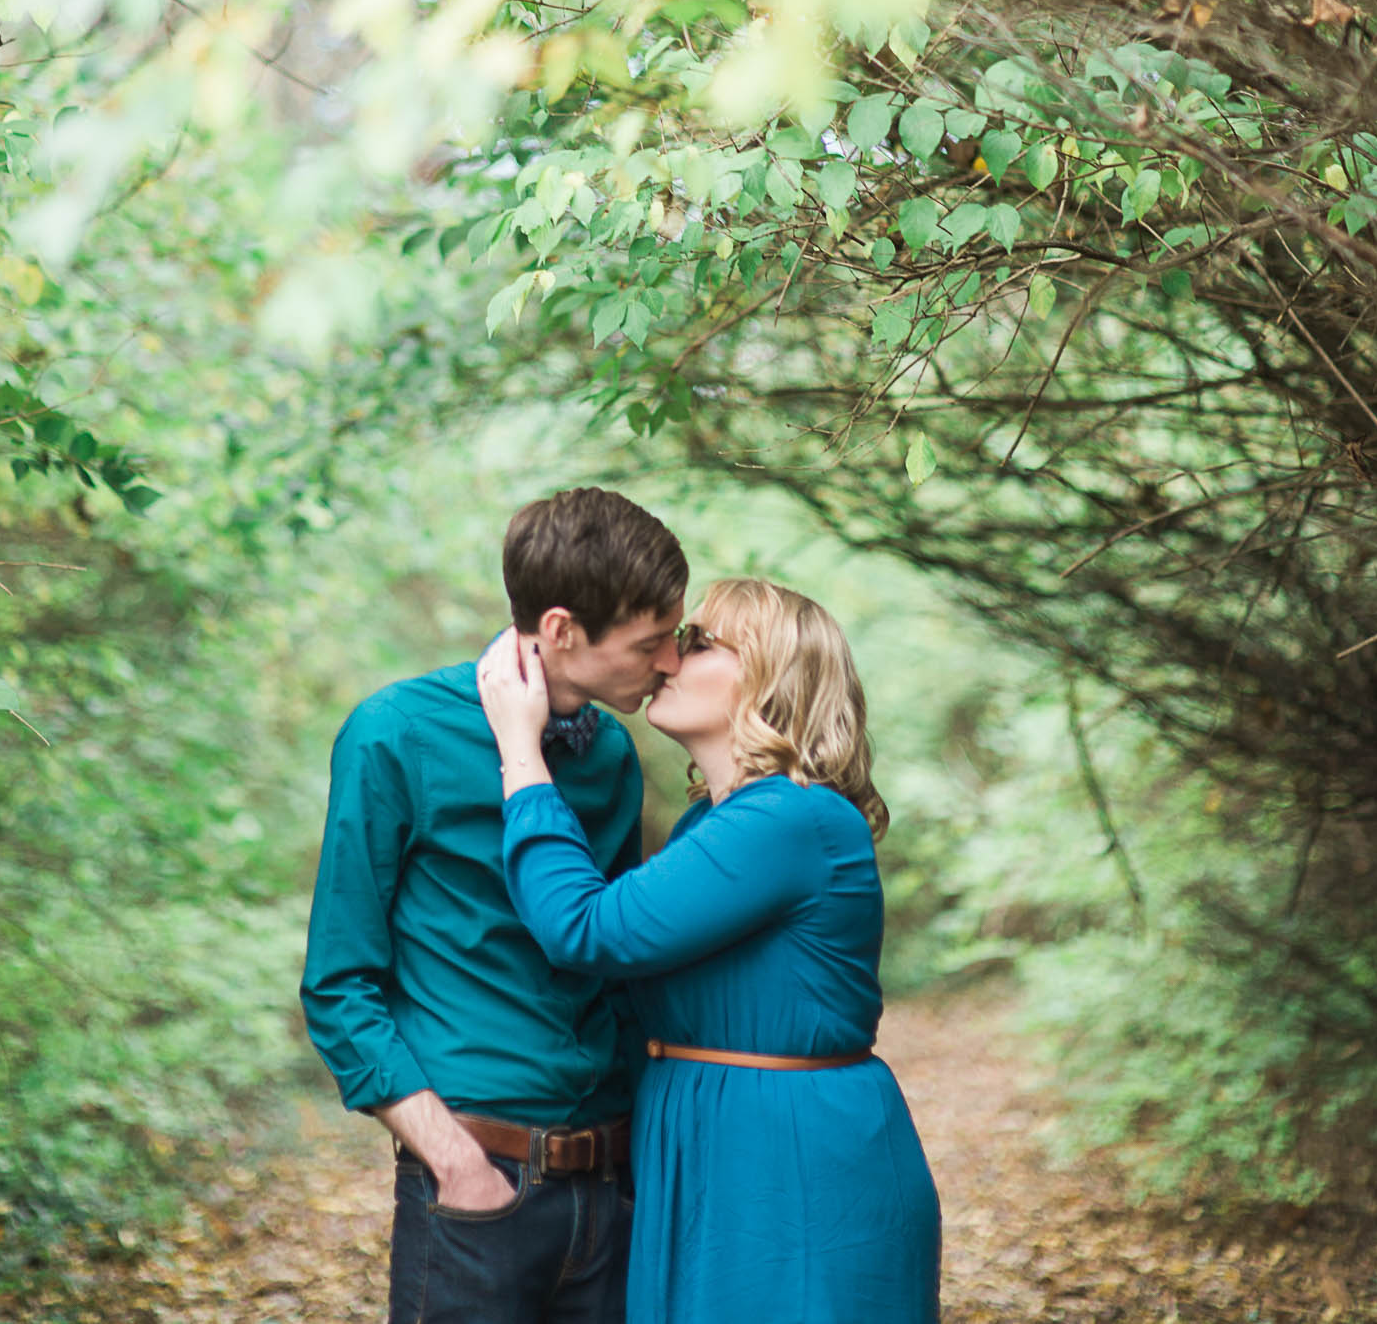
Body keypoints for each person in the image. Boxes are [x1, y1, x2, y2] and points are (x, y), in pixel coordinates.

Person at [478, 576, 941, 1324]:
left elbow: (586, 928)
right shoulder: (713, 822)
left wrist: (521, 753)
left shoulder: (794, 817)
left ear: (768, 675)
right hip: (712, 1146)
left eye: (695, 641)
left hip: (788, 1161)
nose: (666, 659)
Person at [300, 486, 688, 1324]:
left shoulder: (614, 754)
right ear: (560, 630)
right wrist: (456, 1163)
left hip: (611, 1194)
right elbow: (337, 986)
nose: (668, 664)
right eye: (649, 642)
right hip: (479, 1191)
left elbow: (612, 966)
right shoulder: (394, 733)